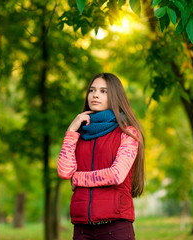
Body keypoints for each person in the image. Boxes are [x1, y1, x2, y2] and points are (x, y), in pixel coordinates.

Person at [57, 73, 145, 240]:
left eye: (103, 91)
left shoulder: (128, 132)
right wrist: (71, 131)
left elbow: (116, 174)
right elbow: (64, 172)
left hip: (116, 226)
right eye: (92, 90)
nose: (95, 95)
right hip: (82, 228)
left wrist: (77, 179)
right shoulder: (79, 133)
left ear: (115, 96)